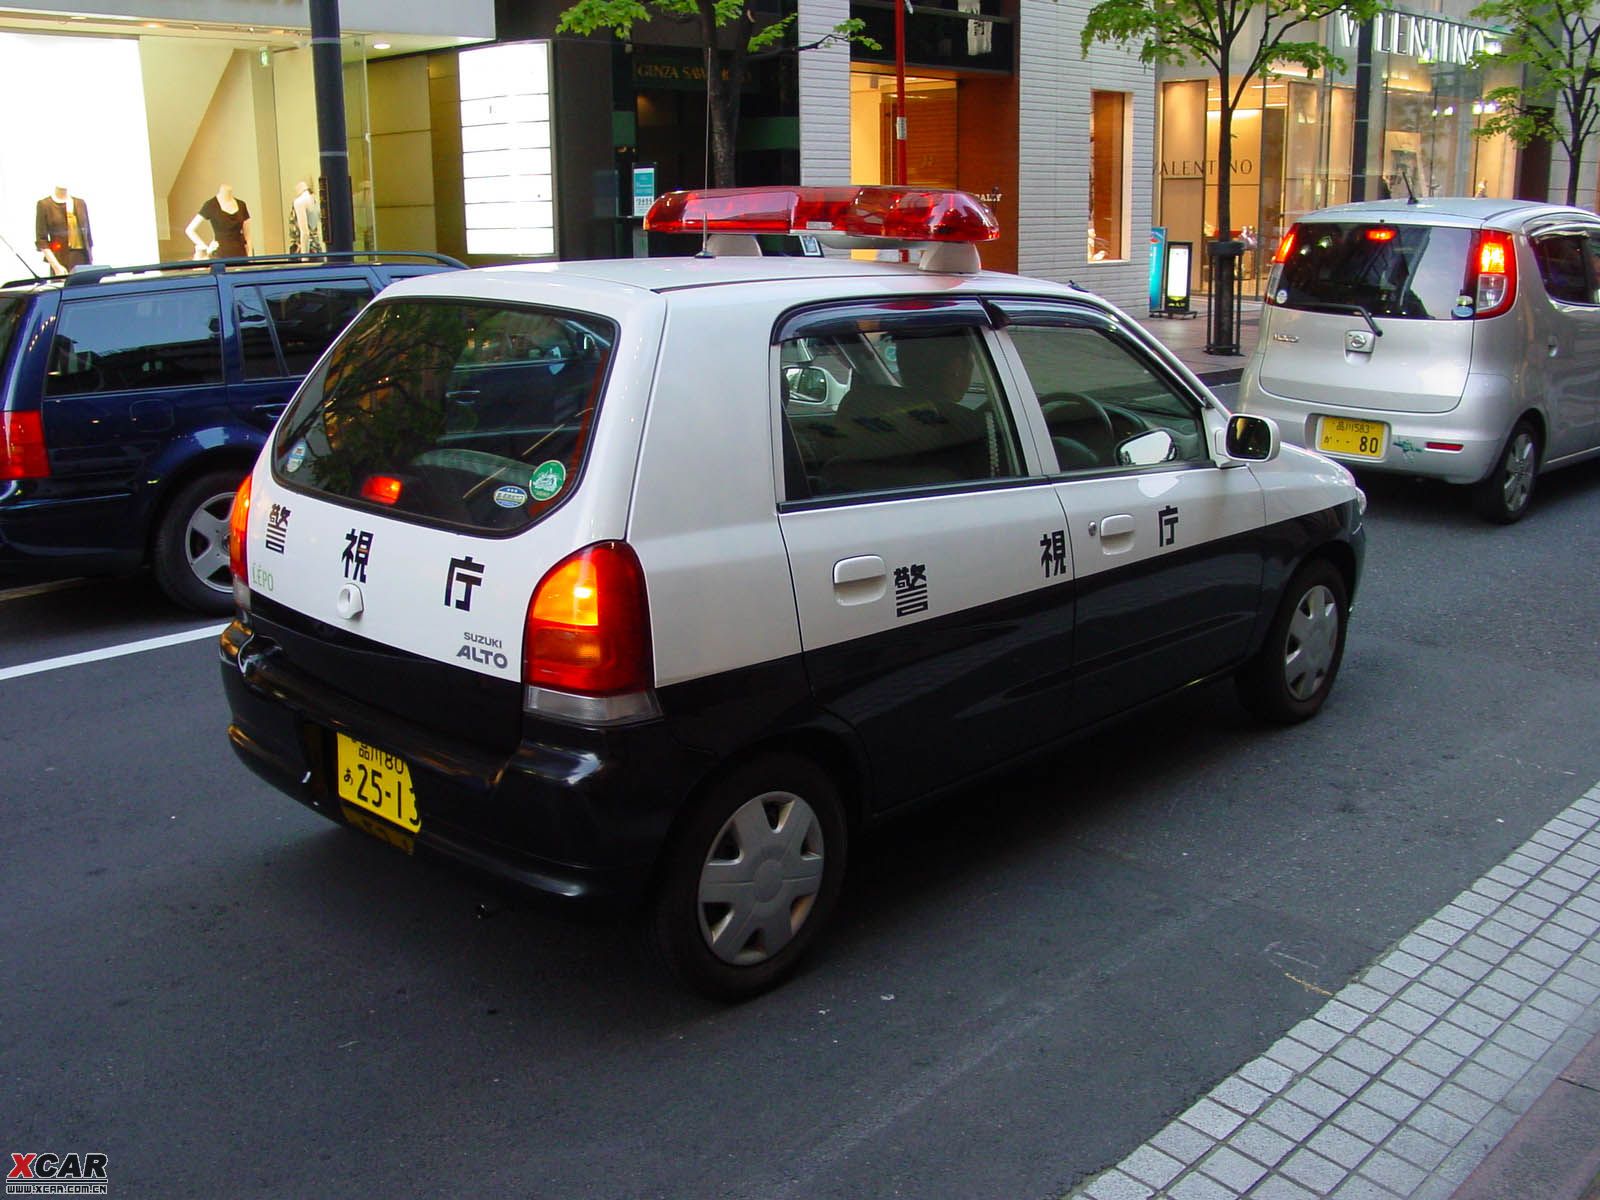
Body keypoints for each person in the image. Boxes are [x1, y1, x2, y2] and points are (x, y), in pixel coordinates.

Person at [36, 185, 92, 275]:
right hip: (60, 260)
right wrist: (56, 266)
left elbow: (88, 236)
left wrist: (90, 261)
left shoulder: (80, 203)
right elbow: (42, 241)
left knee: (85, 288)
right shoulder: (44, 205)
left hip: (83, 259)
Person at [186, 184, 251, 259]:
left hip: (241, 253)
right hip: (220, 254)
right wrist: (206, 248)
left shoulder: (241, 205)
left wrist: (250, 258)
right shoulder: (210, 205)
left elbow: (248, 237)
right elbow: (189, 230)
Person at [288, 181, 323, 256]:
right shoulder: (314, 201)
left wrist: (304, 257)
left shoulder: (299, 202)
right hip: (316, 248)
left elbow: (305, 232)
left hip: (302, 249)